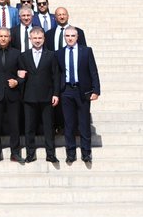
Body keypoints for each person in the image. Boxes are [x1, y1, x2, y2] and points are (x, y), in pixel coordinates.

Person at [57, 25, 101, 164]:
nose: (70, 38)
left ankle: (86, 153)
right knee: (69, 124)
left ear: (77, 37)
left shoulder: (86, 51)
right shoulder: (59, 53)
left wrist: (96, 90)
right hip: (66, 91)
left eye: (72, 36)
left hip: (82, 91)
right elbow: (57, 74)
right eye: (67, 36)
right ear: (64, 37)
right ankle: (70, 153)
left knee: (83, 123)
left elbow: (93, 71)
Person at [18, 26, 62, 163]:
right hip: (29, 97)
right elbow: (21, 76)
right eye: (34, 38)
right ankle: (30, 153)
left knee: (49, 127)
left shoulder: (51, 55)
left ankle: (50, 153)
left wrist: (56, 94)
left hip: (47, 96)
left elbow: (56, 76)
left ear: (44, 39)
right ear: (30, 39)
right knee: (29, 127)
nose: (37, 41)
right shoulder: (23, 56)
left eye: (40, 38)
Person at [0, 27, 23, 163]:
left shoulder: (17, 53)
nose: (3, 38)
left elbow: (23, 73)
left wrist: (17, 81)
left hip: (13, 94)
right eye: (0, 36)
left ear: (10, 38)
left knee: (15, 125)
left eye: (6, 36)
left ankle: (15, 153)